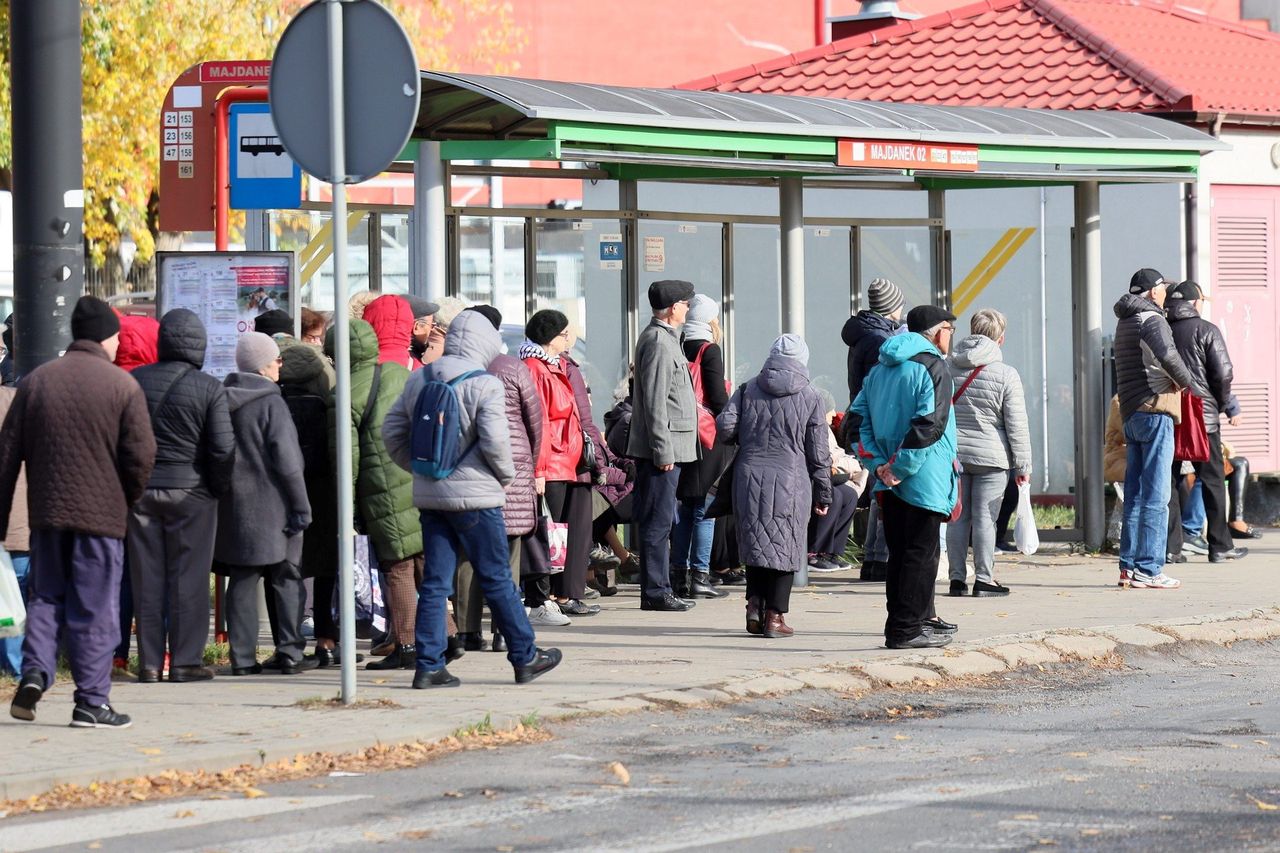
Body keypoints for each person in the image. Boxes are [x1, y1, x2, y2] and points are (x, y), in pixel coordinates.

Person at [382, 309, 562, 688]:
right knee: (497, 577)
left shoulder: (421, 379)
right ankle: (525, 657)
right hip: (478, 499)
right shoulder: (485, 383)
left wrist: (423, 470)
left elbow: (393, 433)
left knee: (434, 583)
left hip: (432, 498)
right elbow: (498, 445)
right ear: (484, 343)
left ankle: (429, 665)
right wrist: (505, 478)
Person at [0, 296, 156, 727]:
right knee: (96, 606)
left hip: (46, 515)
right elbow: (141, 456)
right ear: (107, 337)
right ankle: (91, 701)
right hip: (101, 519)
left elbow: (7, 454)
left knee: (46, 597)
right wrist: (127, 498)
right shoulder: (122, 386)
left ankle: (34, 672)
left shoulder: (36, 382)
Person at [128, 309, 236, 683]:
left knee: (147, 578)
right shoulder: (209, 388)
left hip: (141, 493)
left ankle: (150, 664)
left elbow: (122, 441)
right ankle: (187, 661)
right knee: (188, 579)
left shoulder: (134, 381)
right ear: (200, 347)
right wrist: (215, 488)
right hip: (192, 493)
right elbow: (222, 449)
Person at [324, 318, 429, 671]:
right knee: (423, 559)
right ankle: (447, 633)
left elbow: (346, 458)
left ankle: (408, 644)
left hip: (380, 489)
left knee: (396, 565)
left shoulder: (344, 393)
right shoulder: (401, 375)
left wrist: (346, 507)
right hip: (418, 479)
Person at [852, 304, 959, 650]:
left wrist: (879, 464)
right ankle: (905, 630)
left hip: (888, 477)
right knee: (919, 554)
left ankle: (901, 624)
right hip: (922, 476)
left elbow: (855, 423)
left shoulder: (880, 370)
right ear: (937, 330)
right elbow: (931, 423)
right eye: (950, 329)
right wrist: (898, 467)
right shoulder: (933, 367)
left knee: (899, 554)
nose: (951, 336)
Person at [717, 335, 832, 638]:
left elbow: (726, 428)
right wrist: (823, 491)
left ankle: (754, 606)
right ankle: (775, 618)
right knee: (785, 545)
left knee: (757, 542)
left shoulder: (747, 389)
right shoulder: (811, 396)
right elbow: (818, 452)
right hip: (790, 479)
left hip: (749, 475)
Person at [214, 332, 314, 676]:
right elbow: (288, 461)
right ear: (262, 365)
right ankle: (289, 652)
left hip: (235, 506)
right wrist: (301, 507)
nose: (279, 364)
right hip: (276, 506)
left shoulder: (221, 399)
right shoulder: (272, 402)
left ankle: (242, 658)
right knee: (286, 577)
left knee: (242, 579)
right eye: (275, 359)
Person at [454, 305, 550, 647]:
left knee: (467, 553)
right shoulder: (512, 367)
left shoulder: (454, 368)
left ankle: (466, 631)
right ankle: (502, 631)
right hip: (512, 470)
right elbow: (536, 422)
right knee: (508, 553)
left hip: (464, 472)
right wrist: (532, 464)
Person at [1113, 269, 1195, 590]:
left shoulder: (1125, 321)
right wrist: (1186, 383)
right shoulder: (1151, 319)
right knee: (1157, 494)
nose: (1164, 293)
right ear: (1152, 292)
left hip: (1132, 413)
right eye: (1161, 288)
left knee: (1134, 494)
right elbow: (1168, 356)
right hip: (1155, 409)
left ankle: (1129, 567)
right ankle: (1149, 568)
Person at [945, 309, 1032, 598]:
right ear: (1000, 338)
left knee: (957, 517)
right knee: (985, 519)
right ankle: (984, 579)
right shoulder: (1006, 374)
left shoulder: (948, 366)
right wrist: (1023, 465)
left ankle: (957, 579)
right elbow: (1016, 424)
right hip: (991, 458)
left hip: (954, 454)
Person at [520, 310, 600, 618]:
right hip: (551, 460)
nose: (569, 339)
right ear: (554, 337)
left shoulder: (551, 365)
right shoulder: (535, 368)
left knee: (558, 530)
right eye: (565, 334)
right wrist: (539, 468)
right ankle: (544, 597)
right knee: (548, 530)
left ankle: (557, 595)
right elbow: (537, 420)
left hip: (563, 458)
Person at [1163, 280, 1247, 565]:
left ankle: (1172, 550)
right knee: (1211, 480)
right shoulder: (1206, 330)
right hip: (1203, 418)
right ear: (1195, 302)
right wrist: (1223, 404)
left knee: (1170, 481)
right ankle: (1220, 546)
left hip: (1169, 414)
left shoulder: (1161, 329)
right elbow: (1223, 373)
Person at [628, 280, 700, 612]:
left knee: (662, 520)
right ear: (674, 308)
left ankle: (661, 587)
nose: (688, 308)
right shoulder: (658, 341)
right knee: (657, 522)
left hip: (671, 448)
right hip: (663, 451)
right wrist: (662, 449)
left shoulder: (666, 338)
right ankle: (656, 591)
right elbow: (655, 403)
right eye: (686, 303)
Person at [278, 325, 345, 666]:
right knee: (325, 569)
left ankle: (286, 643)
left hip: (284, 496)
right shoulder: (326, 405)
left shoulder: (275, 404)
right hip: (324, 493)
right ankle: (327, 639)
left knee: (286, 569)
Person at [841, 278, 906, 583]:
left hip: (865, 417)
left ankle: (873, 557)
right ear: (892, 307)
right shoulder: (881, 341)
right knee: (887, 486)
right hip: (879, 421)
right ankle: (878, 558)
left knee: (881, 487)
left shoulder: (863, 335)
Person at [671, 294, 730, 600]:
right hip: (707, 438)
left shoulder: (678, 344)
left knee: (685, 506)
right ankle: (700, 575)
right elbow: (718, 398)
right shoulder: (710, 350)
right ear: (709, 320)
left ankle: (679, 575)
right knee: (704, 509)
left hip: (682, 435)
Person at [110, 313, 160, 672]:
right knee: (155, 574)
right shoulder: (153, 383)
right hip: (153, 491)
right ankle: (158, 655)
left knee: (119, 575)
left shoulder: (111, 381)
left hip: (110, 494)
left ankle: (116, 653)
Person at [808, 398, 867, 572]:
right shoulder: (815, 425)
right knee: (834, 494)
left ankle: (832, 552)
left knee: (849, 494)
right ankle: (814, 552)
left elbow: (835, 453)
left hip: (826, 473)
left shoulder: (825, 428)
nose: (834, 414)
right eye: (830, 410)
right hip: (811, 474)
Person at [0, 378, 30, 677]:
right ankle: (17, 669)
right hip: (18, 522)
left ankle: (15, 667)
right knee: (15, 594)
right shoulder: (17, 401)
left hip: (13, 523)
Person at [407, 295, 441, 366]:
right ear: (417, 327)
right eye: (432, 325)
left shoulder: (380, 354)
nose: (431, 330)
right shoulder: (414, 365)